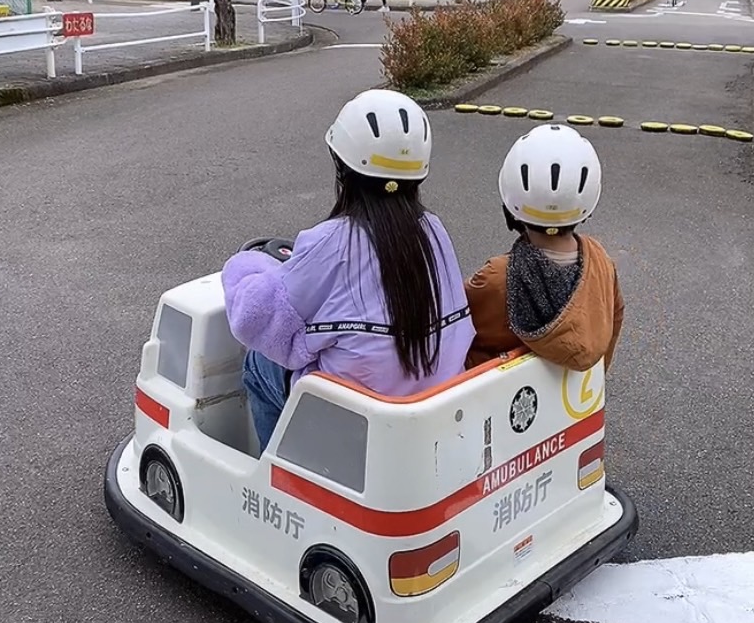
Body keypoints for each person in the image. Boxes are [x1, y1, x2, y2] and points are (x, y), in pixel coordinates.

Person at [222, 89, 475, 449]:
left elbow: (256, 320)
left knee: (257, 365)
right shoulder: (433, 230)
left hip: (353, 420)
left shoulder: (330, 241)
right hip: (433, 406)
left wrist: (247, 267)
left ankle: (277, 484)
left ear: (343, 168)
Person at [464, 123, 624, 373]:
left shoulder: (496, 277)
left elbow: (455, 330)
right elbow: (613, 320)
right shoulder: (602, 263)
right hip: (574, 405)